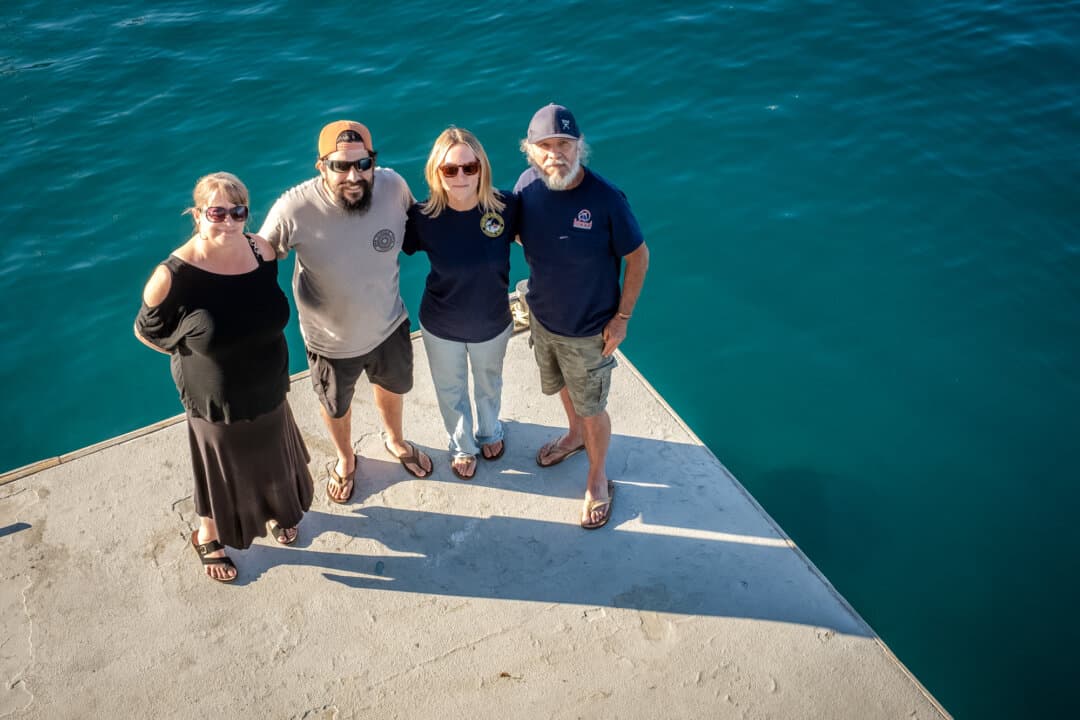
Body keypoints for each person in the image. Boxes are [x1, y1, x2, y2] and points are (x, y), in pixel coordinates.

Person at [134, 172, 314, 583]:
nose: (229, 221)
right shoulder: (173, 275)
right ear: (198, 214)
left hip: (269, 384)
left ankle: (276, 510)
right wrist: (198, 353)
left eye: (238, 212)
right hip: (214, 398)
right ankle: (208, 533)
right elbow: (147, 331)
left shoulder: (262, 251)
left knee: (269, 456)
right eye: (217, 212)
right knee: (221, 471)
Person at [259, 120, 433, 504]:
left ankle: (395, 440)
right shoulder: (294, 207)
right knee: (336, 406)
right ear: (321, 165)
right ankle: (345, 457)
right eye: (340, 166)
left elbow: (422, 224)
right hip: (330, 343)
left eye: (363, 164)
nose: (354, 176)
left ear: (373, 161)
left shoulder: (392, 186)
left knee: (392, 388)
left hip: (389, 324)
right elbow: (256, 258)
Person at [514, 104, 650, 530]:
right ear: (530, 151)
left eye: (565, 144)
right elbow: (518, 233)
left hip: (590, 331)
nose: (556, 153)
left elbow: (639, 257)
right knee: (561, 388)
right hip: (542, 319)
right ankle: (573, 436)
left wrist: (622, 317)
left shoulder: (606, 199)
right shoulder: (525, 186)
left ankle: (598, 477)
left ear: (580, 147)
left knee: (593, 408)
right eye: (546, 146)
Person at [403, 127, 519, 480]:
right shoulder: (423, 217)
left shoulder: (508, 206)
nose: (461, 176)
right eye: (450, 169)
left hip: (493, 322)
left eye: (469, 167)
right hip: (441, 325)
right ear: (436, 172)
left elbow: (545, 243)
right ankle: (461, 446)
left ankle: (489, 432)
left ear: (482, 167)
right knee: (450, 389)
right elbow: (382, 244)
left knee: (489, 383)